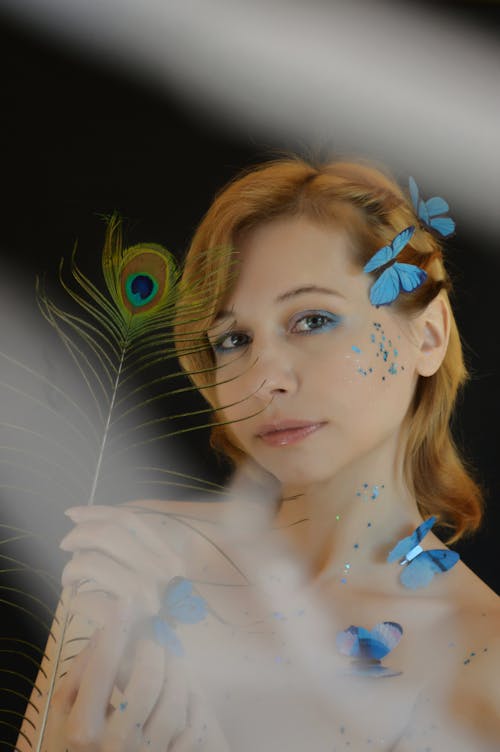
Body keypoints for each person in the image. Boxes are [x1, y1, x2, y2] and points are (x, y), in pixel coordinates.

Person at [17, 157, 500, 751]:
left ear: (427, 335)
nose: (262, 378)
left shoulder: (486, 659)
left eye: (313, 319)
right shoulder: (138, 564)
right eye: (234, 339)